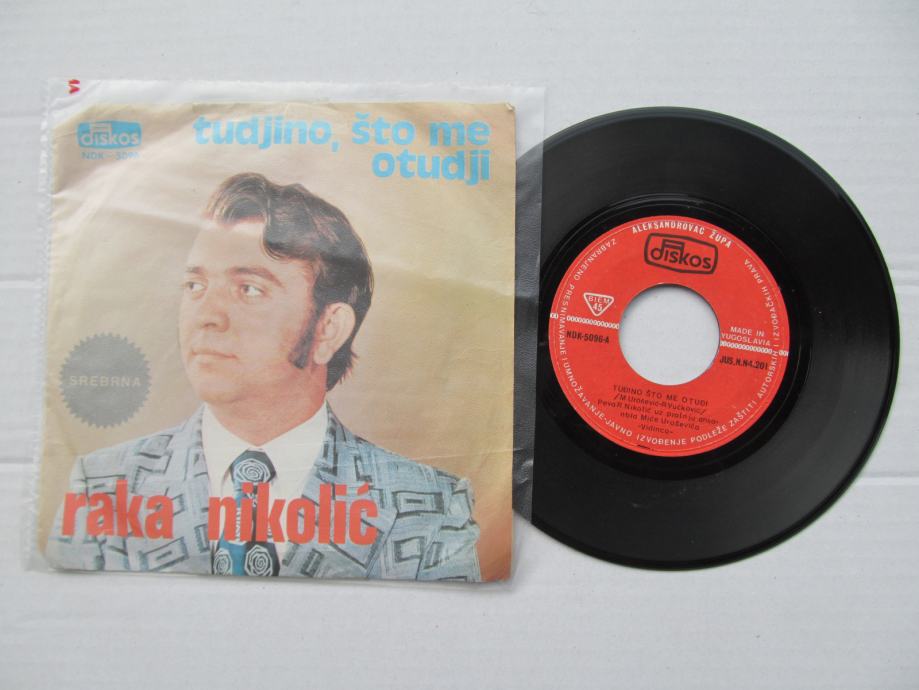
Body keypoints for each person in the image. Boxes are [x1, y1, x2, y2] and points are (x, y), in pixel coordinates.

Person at [46, 173, 480, 581]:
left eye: (249, 289)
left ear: (328, 329)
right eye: (195, 286)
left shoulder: (435, 510)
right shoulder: (102, 486)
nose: (208, 316)